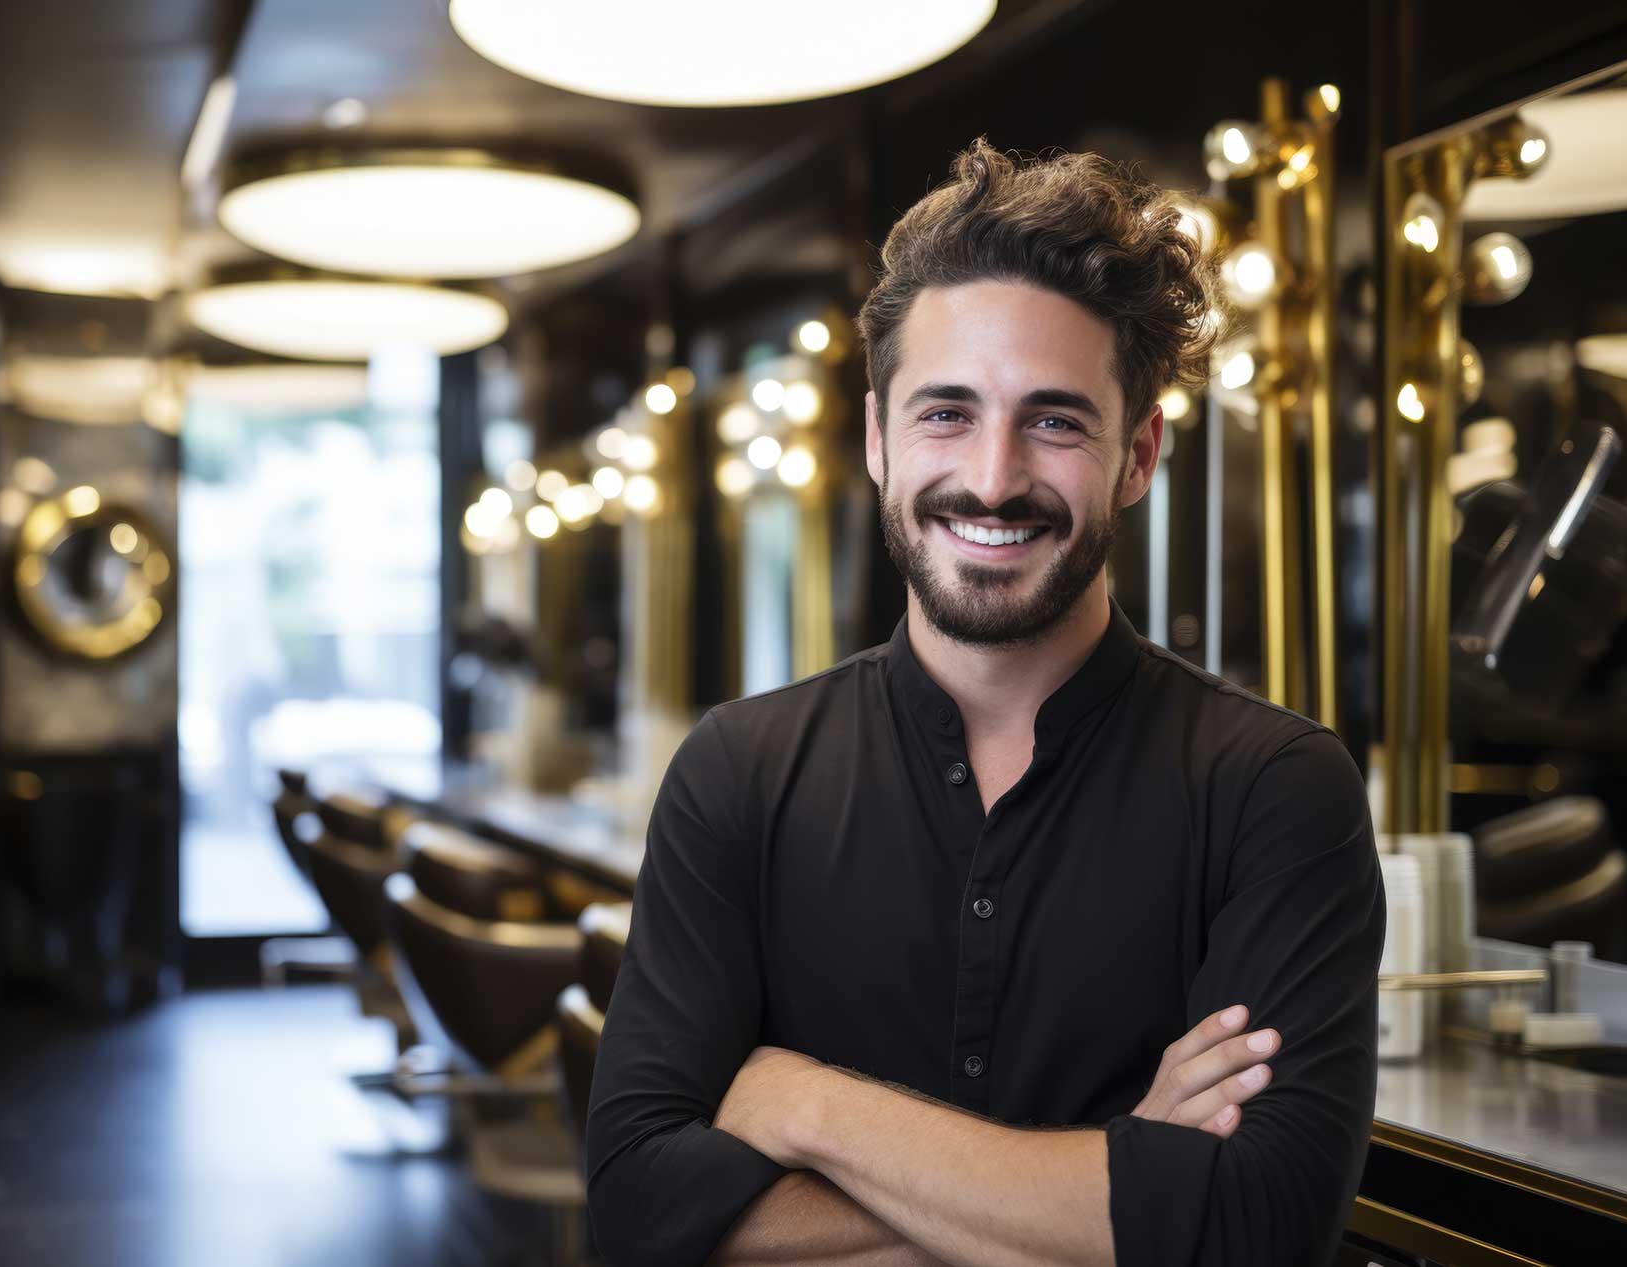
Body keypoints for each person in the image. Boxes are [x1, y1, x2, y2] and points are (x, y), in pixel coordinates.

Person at [584, 139, 1385, 1267]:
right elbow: (635, 1213)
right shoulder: (737, 772)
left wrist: (806, 1107)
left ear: (1138, 453)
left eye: (1054, 421)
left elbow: (1250, 1226)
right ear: (876, 436)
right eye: (945, 413)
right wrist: (1119, 1168)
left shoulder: (1274, 790)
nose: (995, 477)